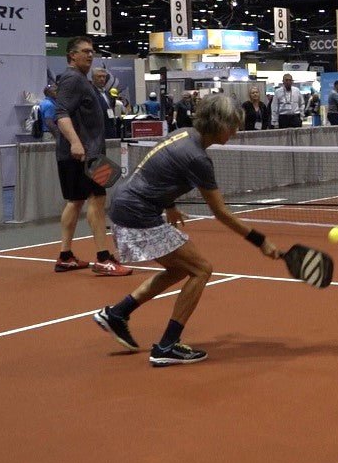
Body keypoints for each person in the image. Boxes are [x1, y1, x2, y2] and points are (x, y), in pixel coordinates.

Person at [92, 93, 284, 366]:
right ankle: (167, 346)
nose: (236, 131)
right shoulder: (197, 159)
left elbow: (157, 171)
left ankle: (118, 314)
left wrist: (169, 204)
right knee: (201, 269)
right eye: (233, 125)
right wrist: (260, 241)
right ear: (218, 124)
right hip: (137, 213)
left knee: (180, 268)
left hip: (129, 204)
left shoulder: (182, 134)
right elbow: (221, 213)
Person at [52, 36, 131, 276]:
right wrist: (75, 143)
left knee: (76, 201)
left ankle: (65, 256)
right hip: (84, 154)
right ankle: (104, 258)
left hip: (86, 153)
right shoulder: (73, 79)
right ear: (71, 56)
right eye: (84, 51)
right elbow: (61, 113)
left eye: (92, 51)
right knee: (97, 199)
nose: (90, 54)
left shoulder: (80, 80)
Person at [91, 68, 119, 139]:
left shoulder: (107, 93)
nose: (102, 79)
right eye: (99, 76)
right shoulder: (90, 93)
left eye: (104, 77)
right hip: (97, 132)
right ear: (93, 78)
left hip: (110, 129)